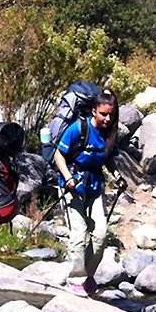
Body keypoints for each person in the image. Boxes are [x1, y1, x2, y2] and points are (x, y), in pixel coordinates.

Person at [53, 88, 123, 297]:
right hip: (72, 187)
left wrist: (118, 176)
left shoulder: (109, 134)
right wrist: (67, 178)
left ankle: (88, 276)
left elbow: (108, 159)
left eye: (111, 115)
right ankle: (75, 280)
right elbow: (59, 154)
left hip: (94, 188)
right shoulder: (78, 128)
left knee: (100, 236)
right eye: (103, 114)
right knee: (77, 234)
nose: (107, 118)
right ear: (94, 110)